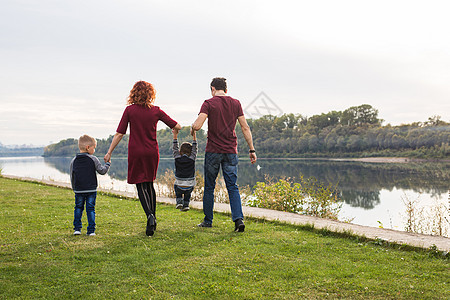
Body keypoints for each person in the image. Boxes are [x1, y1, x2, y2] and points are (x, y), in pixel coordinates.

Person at [104, 81, 181, 236]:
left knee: (140, 184)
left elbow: (120, 133)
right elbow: (177, 125)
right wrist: (174, 131)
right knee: (149, 183)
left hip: (136, 152)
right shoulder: (156, 111)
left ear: (134, 93)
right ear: (150, 94)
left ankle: (150, 216)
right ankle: (153, 219)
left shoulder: (129, 110)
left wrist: (109, 152)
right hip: (152, 152)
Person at [191, 77, 257, 232]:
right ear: (226, 90)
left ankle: (208, 221)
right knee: (232, 186)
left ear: (212, 89)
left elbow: (198, 125)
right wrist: (252, 149)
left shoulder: (208, 103)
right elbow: (245, 127)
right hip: (230, 151)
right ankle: (238, 220)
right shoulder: (236, 103)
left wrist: (193, 127)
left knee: (209, 186)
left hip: (213, 151)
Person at [70, 134, 111, 236]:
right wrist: (108, 164)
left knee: (78, 208)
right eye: (94, 148)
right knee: (90, 209)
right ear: (88, 147)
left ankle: (77, 229)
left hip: (79, 190)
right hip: (91, 190)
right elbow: (102, 171)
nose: (94, 150)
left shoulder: (73, 160)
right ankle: (91, 230)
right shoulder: (93, 159)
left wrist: (74, 188)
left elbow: (72, 176)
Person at [172, 129, 198, 211]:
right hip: (189, 184)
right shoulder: (192, 158)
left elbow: (174, 148)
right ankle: (186, 205)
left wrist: (175, 135)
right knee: (188, 192)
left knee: (176, 186)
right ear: (191, 152)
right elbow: (195, 148)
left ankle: (179, 201)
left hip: (179, 183)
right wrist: (194, 135)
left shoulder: (177, 157)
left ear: (180, 151)